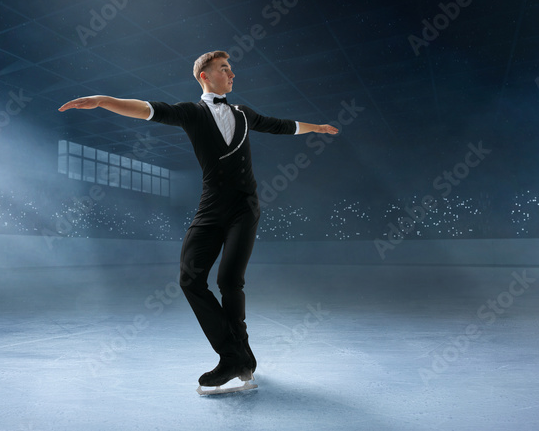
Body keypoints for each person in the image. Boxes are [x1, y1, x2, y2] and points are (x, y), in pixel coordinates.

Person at [58, 50, 339, 389]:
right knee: (190, 279)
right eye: (224, 69)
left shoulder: (244, 114)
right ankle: (238, 355)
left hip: (244, 208)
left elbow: (283, 126)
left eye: (231, 69)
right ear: (204, 76)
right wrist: (104, 100)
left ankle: (239, 356)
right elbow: (146, 108)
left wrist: (316, 128)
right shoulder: (190, 113)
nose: (232, 74)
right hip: (210, 207)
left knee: (230, 282)